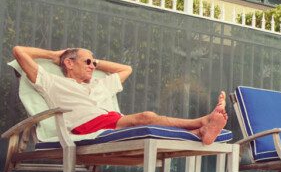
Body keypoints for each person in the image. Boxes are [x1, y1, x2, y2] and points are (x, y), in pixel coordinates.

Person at [12, 45, 228, 144]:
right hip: (84, 127)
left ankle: (200, 131)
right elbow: (19, 51)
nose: (92, 66)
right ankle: (202, 122)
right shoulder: (53, 83)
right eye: (88, 62)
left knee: (147, 120)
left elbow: (126, 69)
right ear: (69, 63)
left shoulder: (98, 85)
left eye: (94, 63)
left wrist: (94, 62)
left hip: (108, 121)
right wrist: (54, 55)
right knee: (146, 117)